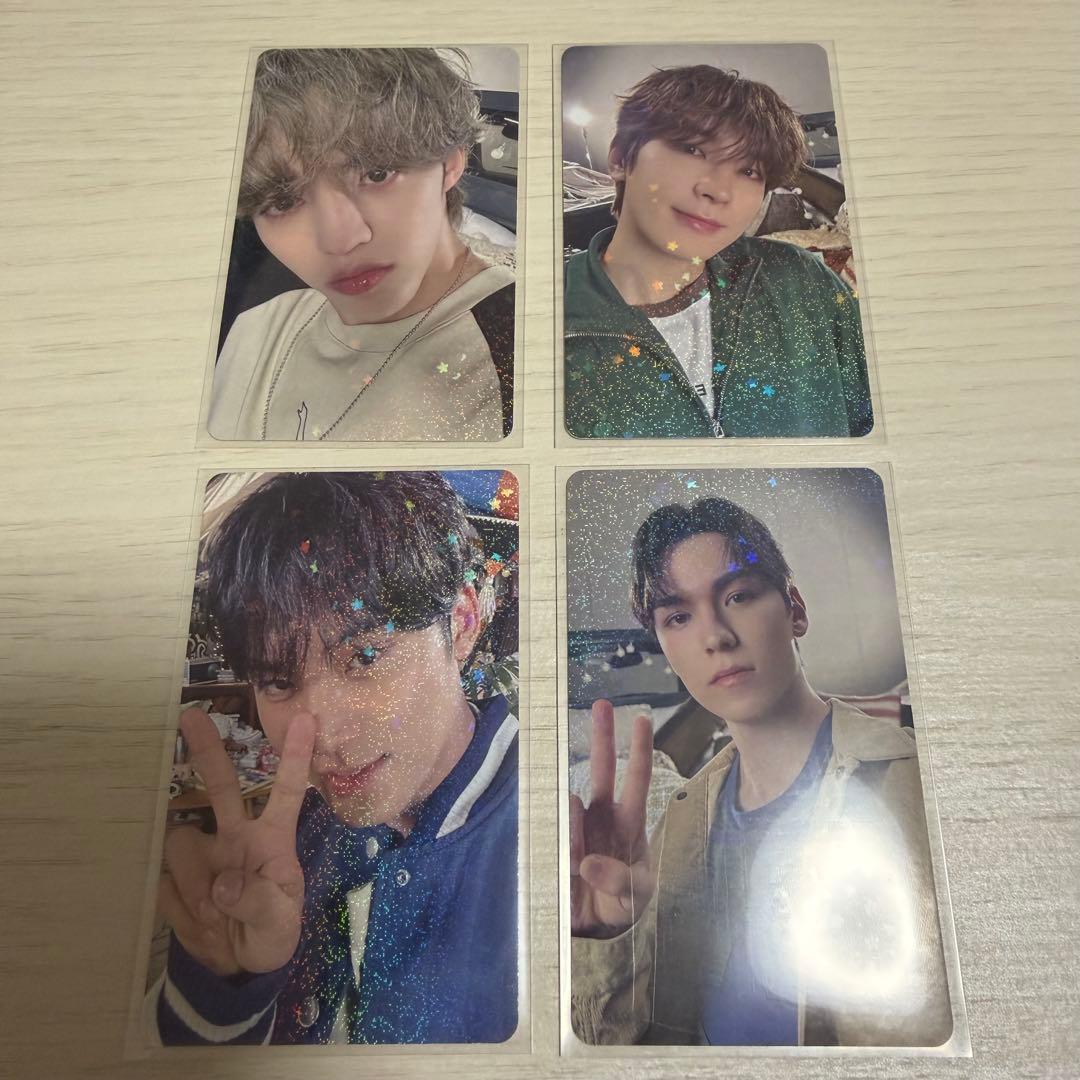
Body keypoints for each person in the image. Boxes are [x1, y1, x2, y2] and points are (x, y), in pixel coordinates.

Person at [145, 472, 518, 1044]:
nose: (320, 734)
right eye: (278, 681)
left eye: (365, 656)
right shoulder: (289, 843)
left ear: (462, 622)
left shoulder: (554, 828)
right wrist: (225, 987)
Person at [570, 497, 950, 1046]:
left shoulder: (919, 786)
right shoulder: (678, 823)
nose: (715, 636)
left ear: (795, 609)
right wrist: (611, 940)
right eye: (679, 617)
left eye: (738, 596)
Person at [208, 49, 515, 442]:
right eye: (282, 202)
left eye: (377, 174)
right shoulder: (255, 330)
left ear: (450, 164)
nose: (340, 240)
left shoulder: (523, 347)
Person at [563, 65, 872, 439]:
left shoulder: (803, 283)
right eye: (692, 149)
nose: (719, 191)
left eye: (749, 172)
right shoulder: (544, 318)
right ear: (620, 159)